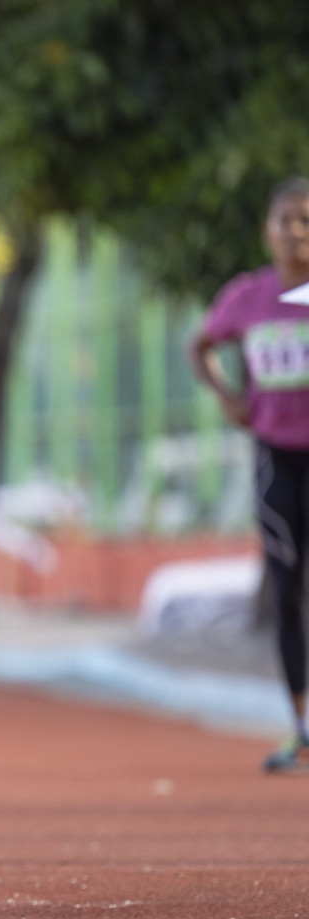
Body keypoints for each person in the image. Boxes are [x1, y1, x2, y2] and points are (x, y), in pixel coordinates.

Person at [190, 176, 309, 773]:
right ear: (267, 230)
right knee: (287, 594)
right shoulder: (248, 297)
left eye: (306, 219)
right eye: (284, 219)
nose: (295, 230)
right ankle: (299, 728)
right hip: (276, 457)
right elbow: (200, 346)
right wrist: (228, 398)